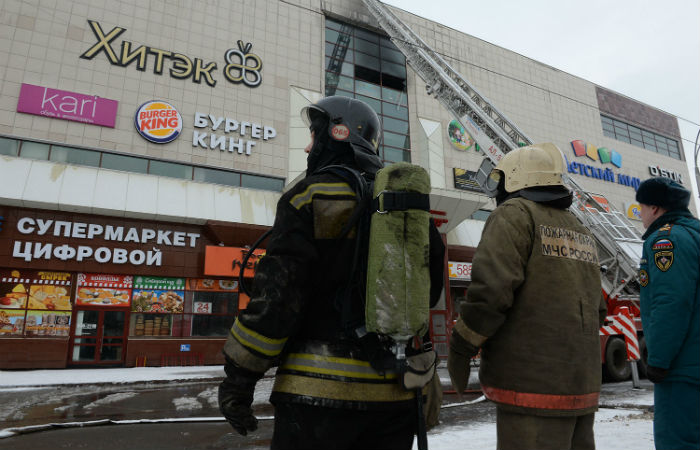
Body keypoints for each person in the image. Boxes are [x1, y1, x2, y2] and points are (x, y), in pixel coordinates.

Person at [218, 96, 445, 450]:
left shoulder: (309, 196)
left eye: (314, 135)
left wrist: (239, 378)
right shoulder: (408, 211)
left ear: (336, 135)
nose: (309, 147)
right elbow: (426, 294)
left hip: (315, 399)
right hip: (395, 401)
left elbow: (279, 299)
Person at [447, 143, 607, 450]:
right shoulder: (580, 229)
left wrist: (462, 346)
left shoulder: (514, 215)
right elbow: (598, 309)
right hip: (581, 387)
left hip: (531, 391)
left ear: (515, 179)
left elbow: (490, 293)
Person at [635, 177, 700, 450]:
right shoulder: (694, 234)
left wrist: (659, 359)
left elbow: (670, 302)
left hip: (682, 368)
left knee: (678, 442)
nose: (639, 213)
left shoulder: (666, 240)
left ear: (656, 209)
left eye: (641, 207)